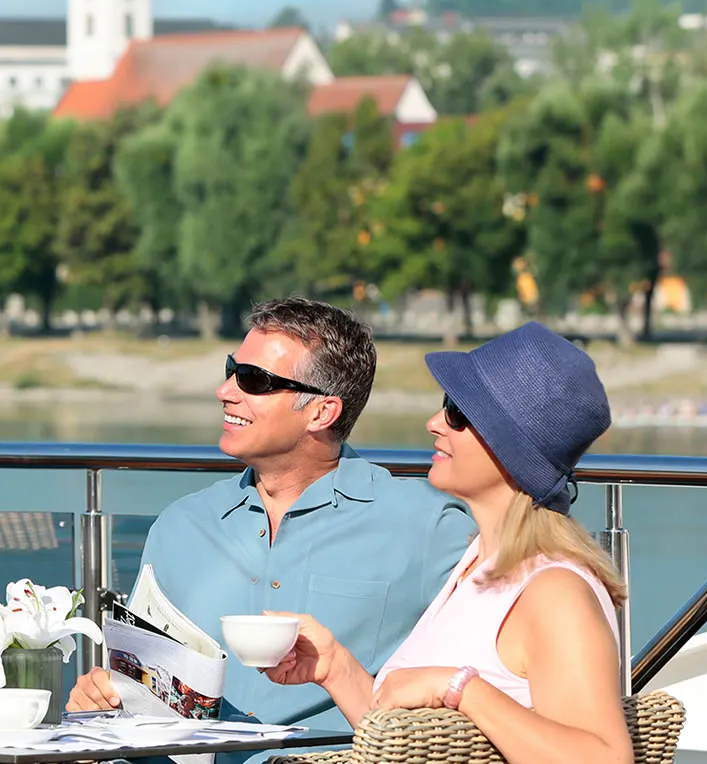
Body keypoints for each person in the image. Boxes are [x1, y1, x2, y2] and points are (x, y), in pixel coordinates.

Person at [66, 297, 474, 753]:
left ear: (322, 412)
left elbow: (478, 697)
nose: (226, 390)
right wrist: (101, 705)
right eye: (231, 369)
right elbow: (144, 690)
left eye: (253, 380)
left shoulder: (429, 528)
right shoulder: (179, 526)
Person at [262, 322, 632, 764]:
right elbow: (409, 750)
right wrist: (334, 666)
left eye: (457, 411)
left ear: (510, 448)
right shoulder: (479, 563)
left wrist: (462, 688)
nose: (434, 423)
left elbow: (605, 758)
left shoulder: (554, 591)